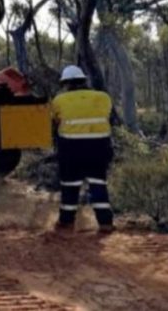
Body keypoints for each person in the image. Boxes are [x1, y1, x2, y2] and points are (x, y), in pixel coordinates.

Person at [50, 65, 114, 232]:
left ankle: (66, 222)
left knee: (70, 186)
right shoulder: (103, 97)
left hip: (72, 149)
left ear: (65, 84)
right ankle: (106, 223)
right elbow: (107, 117)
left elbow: (55, 121)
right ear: (84, 80)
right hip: (100, 147)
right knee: (98, 184)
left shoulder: (59, 100)